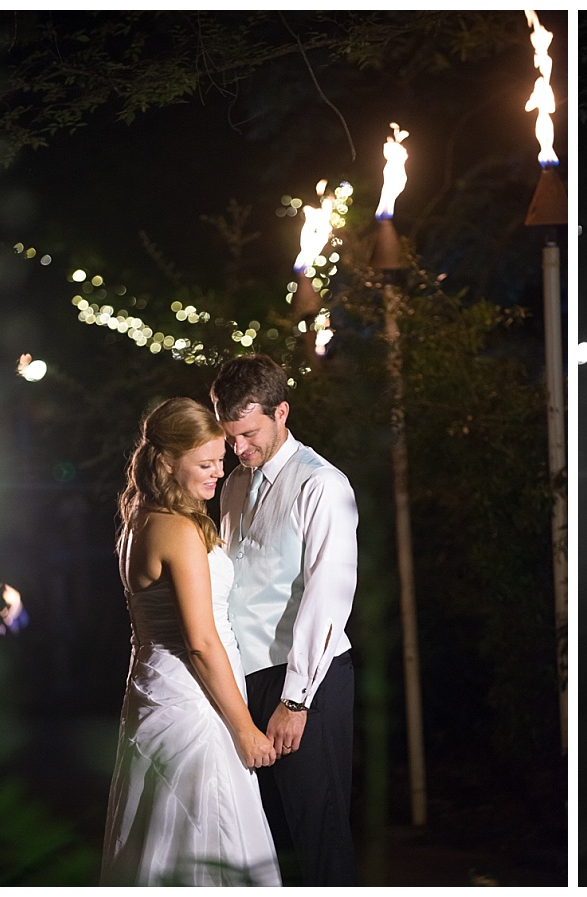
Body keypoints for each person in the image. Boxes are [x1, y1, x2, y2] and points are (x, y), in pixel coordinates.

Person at [101, 397, 281, 886]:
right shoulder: (178, 530)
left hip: (154, 695)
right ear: (166, 462)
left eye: (219, 461)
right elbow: (200, 642)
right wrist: (245, 729)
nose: (217, 474)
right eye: (204, 464)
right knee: (211, 835)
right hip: (195, 707)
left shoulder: (141, 522)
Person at [210, 353, 359, 885]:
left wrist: (295, 701)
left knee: (318, 834)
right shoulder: (232, 487)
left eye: (248, 434)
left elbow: (328, 598)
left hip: (304, 682)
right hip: (243, 680)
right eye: (230, 437)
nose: (238, 449)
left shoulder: (323, 485)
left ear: (281, 412)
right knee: (264, 838)